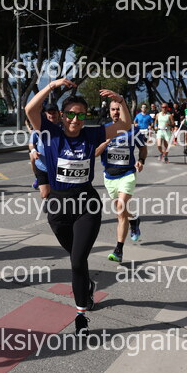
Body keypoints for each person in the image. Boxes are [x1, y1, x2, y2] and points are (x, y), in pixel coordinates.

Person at [25, 78, 131, 336]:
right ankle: (87, 286)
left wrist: (120, 100)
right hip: (58, 208)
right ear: (62, 116)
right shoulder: (51, 133)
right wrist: (51, 87)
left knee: (76, 261)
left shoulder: (91, 134)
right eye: (71, 114)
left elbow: (124, 125)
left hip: (87, 207)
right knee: (77, 261)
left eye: (81, 115)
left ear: (86, 117)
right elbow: (30, 110)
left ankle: (81, 315)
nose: (75, 119)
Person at [95, 100, 147, 263]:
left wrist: (141, 160)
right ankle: (134, 219)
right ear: (109, 111)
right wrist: (104, 143)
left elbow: (143, 148)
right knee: (121, 210)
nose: (116, 112)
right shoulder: (104, 130)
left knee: (120, 209)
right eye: (113, 109)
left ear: (124, 111)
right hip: (109, 176)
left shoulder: (133, 130)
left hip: (127, 174)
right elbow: (95, 153)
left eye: (119, 109)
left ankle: (118, 250)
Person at [29, 104, 60, 197]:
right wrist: (33, 151)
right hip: (42, 166)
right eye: (49, 113)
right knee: (44, 194)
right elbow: (31, 143)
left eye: (54, 112)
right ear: (46, 114)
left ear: (58, 113)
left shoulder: (63, 128)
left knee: (58, 192)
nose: (52, 115)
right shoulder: (38, 127)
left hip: (58, 167)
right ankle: (37, 179)